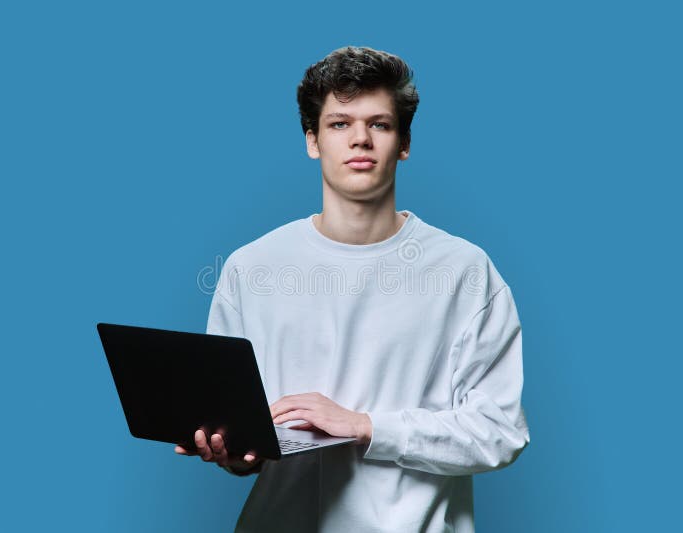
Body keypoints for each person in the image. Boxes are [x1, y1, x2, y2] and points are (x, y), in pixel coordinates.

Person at [176, 46, 530, 532]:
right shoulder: (250, 268)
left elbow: (500, 432)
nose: (360, 139)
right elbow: (244, 437)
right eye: (340, 123)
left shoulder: (466, 271)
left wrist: (366, 426)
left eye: (379, 124)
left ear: (403, 143)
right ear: (312, 141)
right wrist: (233, 451)